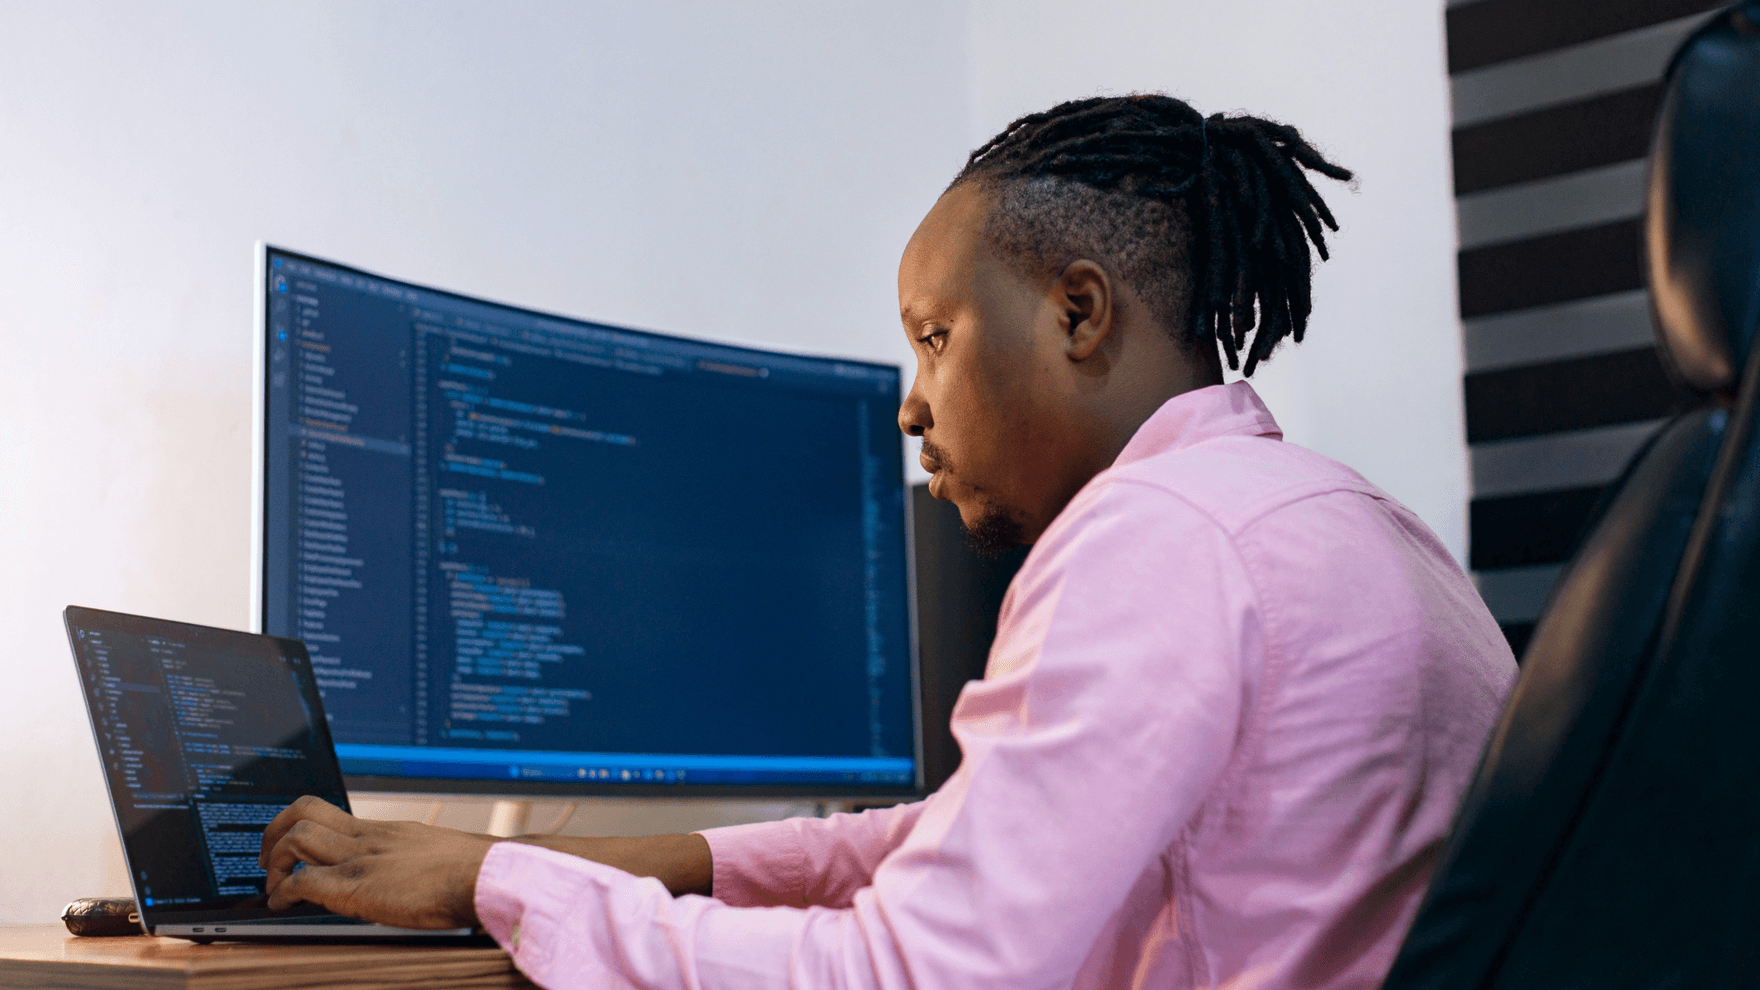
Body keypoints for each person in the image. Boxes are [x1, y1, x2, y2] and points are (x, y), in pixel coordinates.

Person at [258, 94, 1516, 989]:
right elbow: (960, 837)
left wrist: (502, 888)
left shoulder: (1157, 539)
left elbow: (911, 972)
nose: (908, 404)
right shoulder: (1345, 524)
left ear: (1077, 312)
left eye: (933, 337)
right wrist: (658, 862)